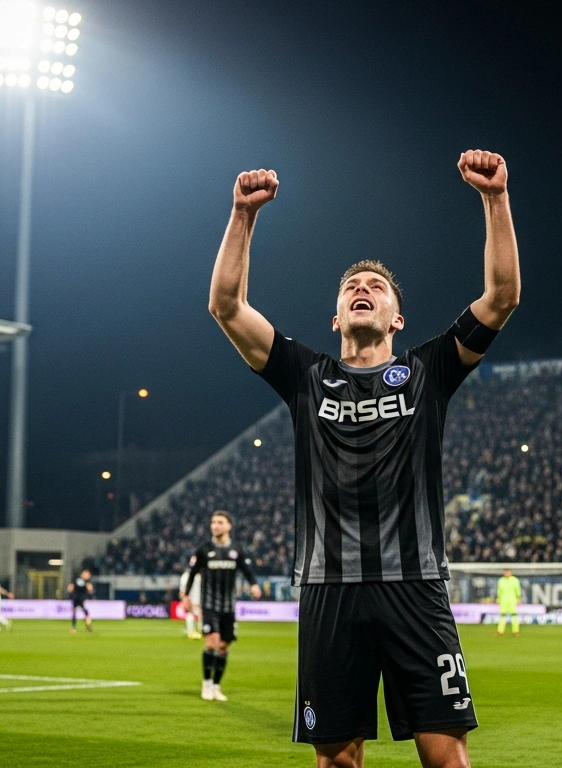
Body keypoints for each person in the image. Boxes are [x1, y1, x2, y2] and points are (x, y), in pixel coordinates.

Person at [208, 149, 519, 768]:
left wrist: (495, 199)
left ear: (396, 317)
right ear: (336, 316)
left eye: (376, 287)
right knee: (337, 760)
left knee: (446, 757)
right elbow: (226, 307)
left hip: (416, 587)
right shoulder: (304, 374)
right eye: (352, 286)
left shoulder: (428, 371)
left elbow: (503, 294)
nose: (362, 289)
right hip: (329, 590)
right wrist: (242, 216)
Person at [183, 511, 263, 701]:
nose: (215, 525)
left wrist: (254, 584)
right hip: (209, 605)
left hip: (228, 606)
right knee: (211, 643)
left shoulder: (236, 550)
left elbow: (247, 570)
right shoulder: (204, 550)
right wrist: (186, 595)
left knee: (224, 647)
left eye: (220, 522)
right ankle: (206, 684)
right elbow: (193, 573)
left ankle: (217, 686)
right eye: (213, 522)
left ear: (229, 526)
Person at [494, 568, 522, 637]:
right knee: (503, 616)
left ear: (510, 572)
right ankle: (500, 631)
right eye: (505, 572)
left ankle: (515, 631)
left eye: (507, 572)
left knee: (514, 615)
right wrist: (498, 598)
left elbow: (517, 590)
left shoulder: (515, 580)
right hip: (503, 600)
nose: (506, 573)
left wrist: (518, 598)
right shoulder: (501, 580)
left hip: (512, 600)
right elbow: (499, 590)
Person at [179, 566, 204, 639]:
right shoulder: (200, 576)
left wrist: (184, 598)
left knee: (190, 614)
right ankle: (201, 631)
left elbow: (182, 590)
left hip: (190, 598)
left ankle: (191, 632)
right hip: (199, 598)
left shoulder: (185, 576)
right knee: (200, 614)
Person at [68, 568, 94, 633]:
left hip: (77, 598)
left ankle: (75, 627)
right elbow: (90, 589)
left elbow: (70, 587)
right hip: (79, 598)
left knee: (78, 611)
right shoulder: (85, 581)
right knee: (84, 612)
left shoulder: (79, 580)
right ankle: (86, 625)